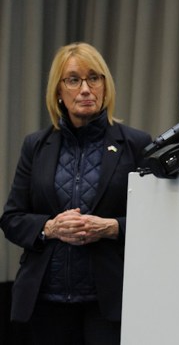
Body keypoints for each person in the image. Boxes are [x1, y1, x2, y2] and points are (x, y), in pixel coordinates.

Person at [0, 42, 152, 344]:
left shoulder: (135, 144)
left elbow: (157, 221)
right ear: (58, 91)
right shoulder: (36, 145)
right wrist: (50, 227)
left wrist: (111, 227)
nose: (85, 89)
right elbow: (12, 218)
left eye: (94, 78)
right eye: (73, 80)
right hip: (46, 299)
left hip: (108, 301)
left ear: (105, 86)